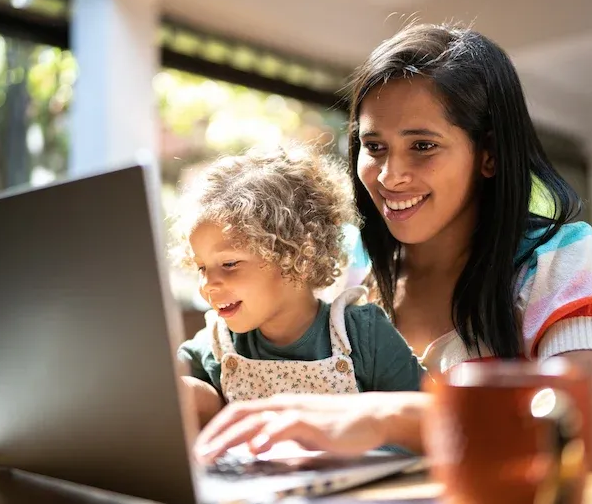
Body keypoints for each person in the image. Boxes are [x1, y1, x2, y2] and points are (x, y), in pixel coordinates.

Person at [194, 23, 592, 473]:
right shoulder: (336, 272)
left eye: (422, 146)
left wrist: (392, 419)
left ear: (489, 154)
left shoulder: (562, 263)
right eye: (374, 147)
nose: (390, 176)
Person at [172, 143, 423, 429]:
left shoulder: (363, 335)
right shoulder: (215, 346)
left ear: (296, 254)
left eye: (229, 264)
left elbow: (431, 422)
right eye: (202, 268)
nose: (208, 285)